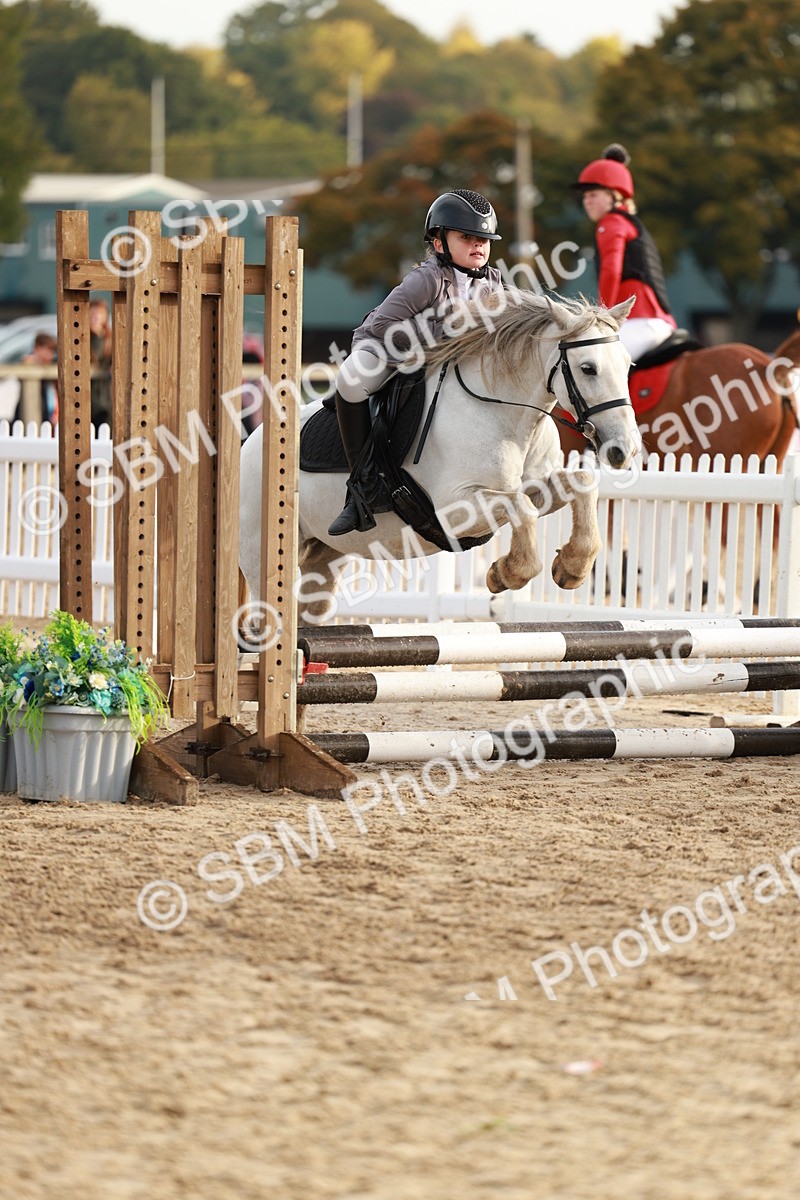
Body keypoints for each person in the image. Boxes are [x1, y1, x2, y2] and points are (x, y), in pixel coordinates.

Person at [327, 188, 505, 536]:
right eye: (467, 237)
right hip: (386, 349)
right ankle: (361, 490)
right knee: (350, 380)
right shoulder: (425, 280)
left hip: (440, 361)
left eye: (484, 238)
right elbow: (383, 326)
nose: (478, 245)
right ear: (439, 243)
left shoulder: (494, 282)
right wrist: (444, 333)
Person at [573, 144, 677, 361]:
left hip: (637, 322)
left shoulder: (610, 223)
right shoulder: (629, 223)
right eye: (584, 197)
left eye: (593, 194)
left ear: (614, 195)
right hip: (658, 322)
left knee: (589, 368)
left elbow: (611, 271)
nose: (587, 201)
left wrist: (603, 316)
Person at [14, 332, 58, 425]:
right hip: (27, 410)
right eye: (46, 350)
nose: (49, 354)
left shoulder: (51, 367)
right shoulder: (29, 362)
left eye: (51, 351)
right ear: (37, 349)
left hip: (45, 413)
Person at [89, 297, 113, 431]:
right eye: (92, 314)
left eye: (99, 315)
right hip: (89, 391)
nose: (95, 318)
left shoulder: (110, 337)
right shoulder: (83, 336)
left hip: (105, 392)